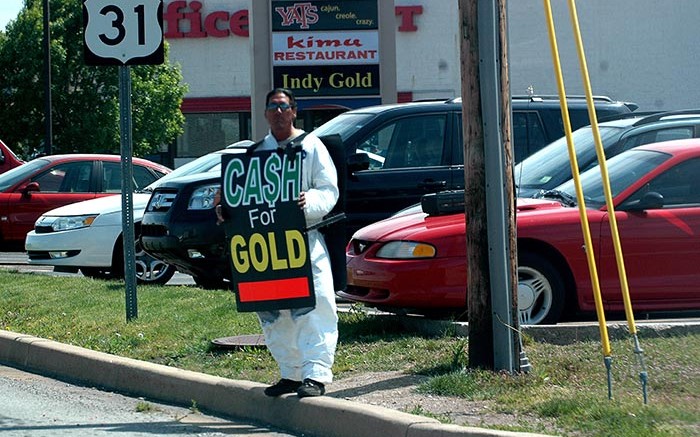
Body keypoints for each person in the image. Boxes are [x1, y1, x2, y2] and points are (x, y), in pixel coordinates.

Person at [254, 88, 339, 398]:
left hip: (304, 240)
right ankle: (290, 373)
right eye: (273, 106)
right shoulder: (256, 154)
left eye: (284, 106)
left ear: (293, 111)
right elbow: (241, 196)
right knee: (274, 312)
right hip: (267, 247)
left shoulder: (311, 147)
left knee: (314, 307)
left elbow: (329, 190)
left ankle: (315, 374)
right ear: (265, 112)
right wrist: (226, 207)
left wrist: (310, 202)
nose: (278, 112)